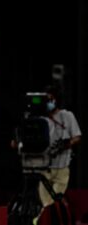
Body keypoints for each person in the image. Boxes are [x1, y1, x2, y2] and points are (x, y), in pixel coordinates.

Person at [34, 85, 82, 224]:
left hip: (62, 168)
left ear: (57, 100)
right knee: (45, 203)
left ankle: (38, 221)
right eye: (47, 99)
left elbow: (77, 136)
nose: (49, 102)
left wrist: (65, 144)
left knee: (55, 200)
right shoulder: (41, 119)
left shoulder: (67, 116)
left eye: (51, 99)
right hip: (44, 168)